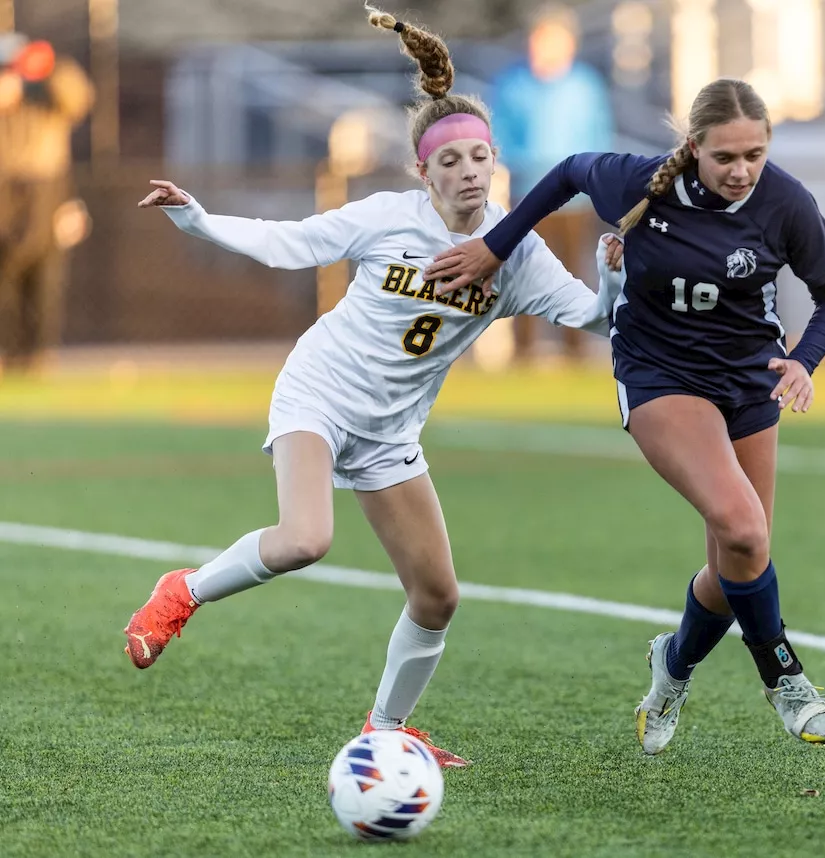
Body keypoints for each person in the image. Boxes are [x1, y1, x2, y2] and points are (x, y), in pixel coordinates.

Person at [121, 7, 622, 770]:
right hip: (319, 393)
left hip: (391, 432)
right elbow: (289, 242)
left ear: (498, 165)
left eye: (480, 158)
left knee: (438, 596)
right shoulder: (388, 218)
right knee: (305, 540)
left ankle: (386, 728)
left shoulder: (514, 255)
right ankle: (183, 592)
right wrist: (198, 220)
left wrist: (614, 275)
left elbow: (592, 317)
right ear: (423, 174)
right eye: (450, 163)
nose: (468, 173)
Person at [424, 78, 825, 753]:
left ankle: (671, 667)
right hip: (661, 374)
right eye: (725, 157)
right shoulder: (641, 184)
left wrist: (806, 360)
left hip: (750, 380)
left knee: (739, 553)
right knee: (743, 527)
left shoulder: (784, 201)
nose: (741, 171)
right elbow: (567, 173)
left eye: (755, 155)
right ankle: (785, 677)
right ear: (693, 148)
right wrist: (497, 245)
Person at [489, 3, 614, 364]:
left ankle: (575, 348)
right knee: (524, 270)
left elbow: (598, 134)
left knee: (574, 271)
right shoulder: (513, 85)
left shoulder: (585, 86)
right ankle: (525, 350)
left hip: (575, 198)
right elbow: (500, 136)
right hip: (528, 193)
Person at [0, 35, 93, 376]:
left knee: (44, 268)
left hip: (47, 185)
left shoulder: (49, 82)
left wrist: (28, 80)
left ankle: (37, 352)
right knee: (4, 269)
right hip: (4, 184)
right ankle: (7, 349)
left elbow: (77, 97)